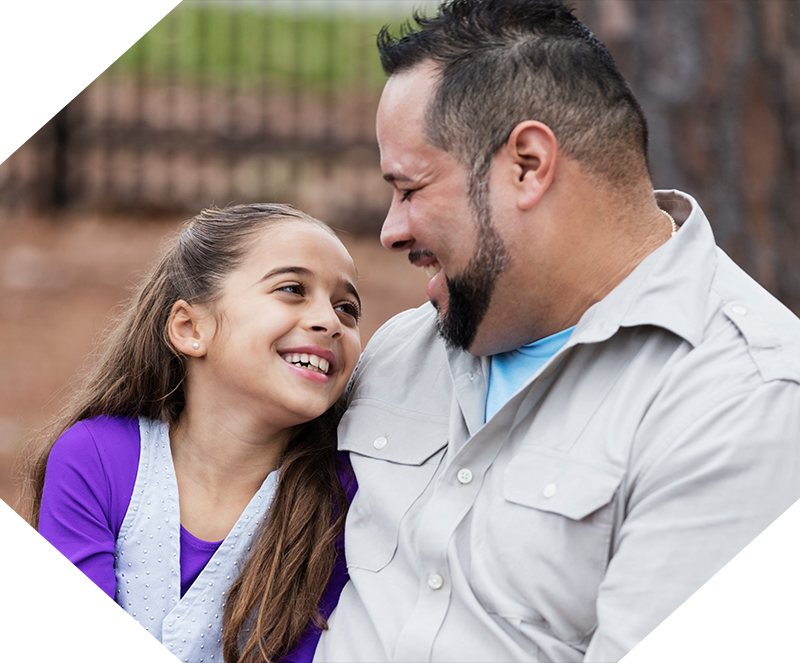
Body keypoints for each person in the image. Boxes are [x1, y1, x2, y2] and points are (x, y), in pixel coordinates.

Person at [315, 1, 800, 661]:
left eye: (409, 187)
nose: (390, 230)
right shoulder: (401, 351)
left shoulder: (743, 400)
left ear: (527, 165)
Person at [21, 203, 361, 663]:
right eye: (292, 289)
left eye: (347, 308)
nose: (330, 321)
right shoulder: (96, 457)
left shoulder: (344, 497)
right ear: (189, 328)